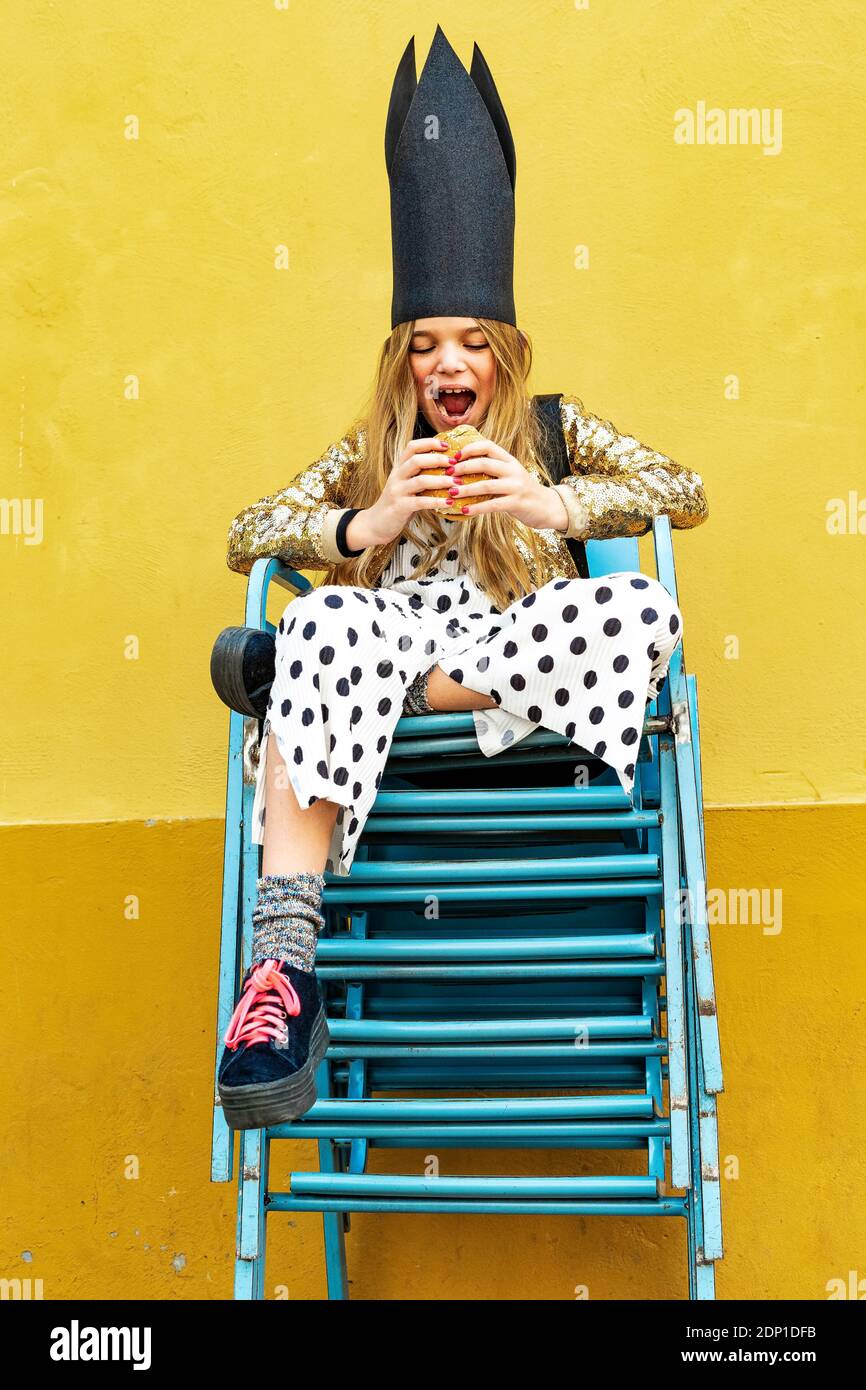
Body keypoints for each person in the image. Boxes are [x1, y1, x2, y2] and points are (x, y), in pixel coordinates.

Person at [217, 27, 709, 1131]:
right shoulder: (367, 448)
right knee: (331, 620)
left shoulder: (546, 427)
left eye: (473, 341)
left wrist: (546, 503)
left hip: (503, 656)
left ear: (504, 352)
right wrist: (368, 519)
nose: (450, 365)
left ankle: (299, 676)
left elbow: (683, 488)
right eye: (427, 343)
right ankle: (281, 979)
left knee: (642, 608)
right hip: (378, 642)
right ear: (403, 358)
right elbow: (247, 531)